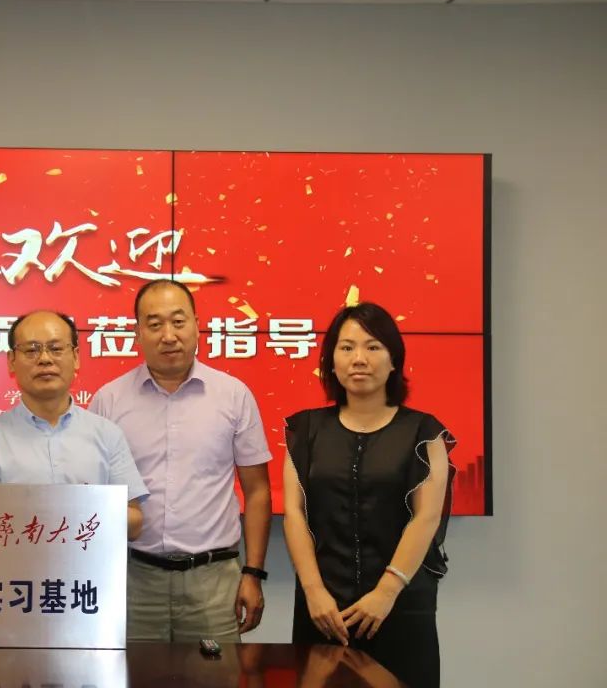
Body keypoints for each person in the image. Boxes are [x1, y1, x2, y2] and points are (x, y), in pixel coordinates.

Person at [283, 302, 455, 688]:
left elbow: (426, 516)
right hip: (323, 608)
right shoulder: (304, 430)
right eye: (346, 347)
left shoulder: (424, 432)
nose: (359, 359)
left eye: (373, 347)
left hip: (399, 606)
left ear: (394, 360)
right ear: (331, 361)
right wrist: (313, 591)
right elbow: (294, 512)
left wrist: (386, 592)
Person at [90, 279, 272, 642]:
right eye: (155, 324)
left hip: (214, 581)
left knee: (215, 672)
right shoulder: (108, 401)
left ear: (197, 325)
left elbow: (257, 492)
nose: (168, 336)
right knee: (132, 672)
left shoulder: (233, 395)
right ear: (138, 333)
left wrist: (253, 573)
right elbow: (92, 496)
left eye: (178, 321)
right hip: (132, 578)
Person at [0, 310, 147, 537]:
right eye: (31, 350)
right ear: (11, 361)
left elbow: (135, 522)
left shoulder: (107, 434)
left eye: (56, 348)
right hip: (14, 560)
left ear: (76, 357)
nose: (45, 359)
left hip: (89, 560)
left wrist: (81, 510)